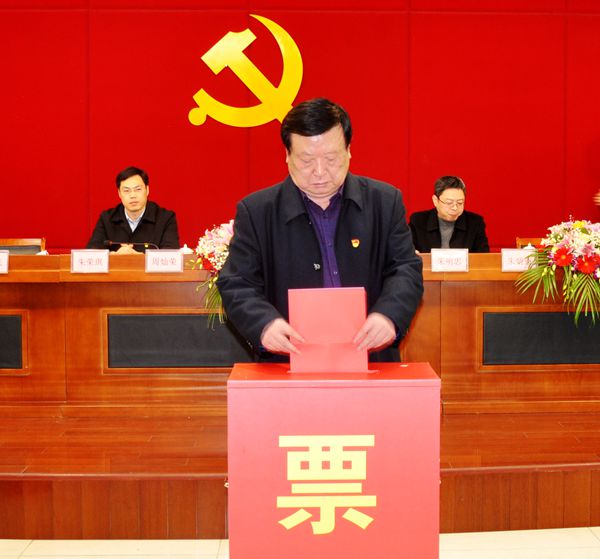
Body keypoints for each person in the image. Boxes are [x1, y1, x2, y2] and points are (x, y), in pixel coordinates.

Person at [216, 98, 423, 363]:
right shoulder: (257, 211)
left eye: (331, 158)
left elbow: (405, 268)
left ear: (349, 150)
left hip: (371, 360)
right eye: (306, 160)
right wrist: (264, 324)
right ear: (287, 155)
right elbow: (236, 282)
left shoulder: (384, 202)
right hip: (288, 364)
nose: (320, 172)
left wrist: (388, 315)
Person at [86, 166, 179, 253]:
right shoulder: (107, 219)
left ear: (147, 190)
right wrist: (114, 256)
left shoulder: (165, 218)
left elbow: (171, 255)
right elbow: (92, 253)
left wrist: (138, 258)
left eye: (138, 189)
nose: (133, 195)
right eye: (126, 191)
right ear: (119, 193)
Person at [409, 176, 489, 253]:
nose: (455, 207)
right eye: (449, 202)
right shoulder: (418, 221)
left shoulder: (475, 223)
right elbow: (408, 250)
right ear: (435, 200)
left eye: (460, 202)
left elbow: (483, 256)